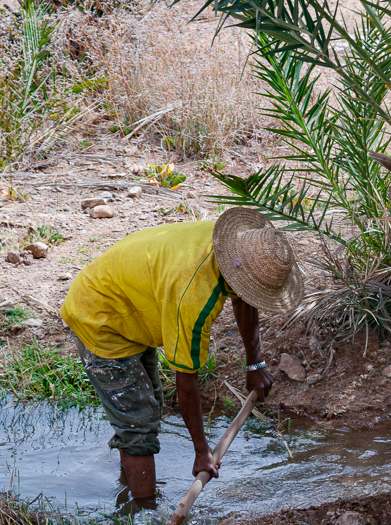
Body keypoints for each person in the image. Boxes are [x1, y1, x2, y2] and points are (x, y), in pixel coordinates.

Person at [60, 207, 303, 500]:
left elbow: (244, 298)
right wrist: (201, 452)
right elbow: (186, 382)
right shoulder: (193, 298)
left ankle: (130, 484)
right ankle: (143, 515)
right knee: (138, 423)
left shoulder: (235, 247)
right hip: (100, 315)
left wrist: (255, 363)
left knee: (147, 408)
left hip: (131, 299)